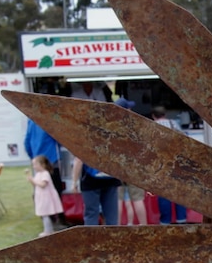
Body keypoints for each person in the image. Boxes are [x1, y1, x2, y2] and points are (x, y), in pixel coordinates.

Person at [69, 82, 122, 225]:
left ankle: (91, 244)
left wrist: (74, 182)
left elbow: (79, 159)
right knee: (112, 216)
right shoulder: (113, 133)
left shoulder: (84, 134)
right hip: (111, 178)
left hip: (90, 180)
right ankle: (114, 243)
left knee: (91, 215)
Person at [23, 116, 65, 225]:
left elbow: (27, 141)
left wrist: (34, 158)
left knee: (40, 188)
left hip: (38, 160)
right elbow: (59, 138)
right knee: (55, 189)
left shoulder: (31, 121)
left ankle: (47, 217)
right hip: (51, 159)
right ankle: (58, 216)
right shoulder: (49, 120)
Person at [151, 105, 188, 224]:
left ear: (153, 116)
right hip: (176, 162)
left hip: (161, 164)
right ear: (165, 114)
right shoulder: (174, 124)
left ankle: (165, 221)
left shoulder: (152, 126)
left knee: (164, 193)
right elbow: (185, 139)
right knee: (178, 191)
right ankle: (181, 219)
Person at [115, 97, 148, 225]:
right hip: (133, 167)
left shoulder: (111, 126)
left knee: (117, 199)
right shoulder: (134, 126)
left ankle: (115, 227)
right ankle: (144, 227)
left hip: (116, 167)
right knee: (137, 199)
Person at [26, 155, 65, 236]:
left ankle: (48, 231)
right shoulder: (38, 174)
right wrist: (31, 180)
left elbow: (43, 184)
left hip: (46, 198)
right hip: (41, 197)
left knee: (45, 214)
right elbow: (36, 185)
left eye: (35, 164)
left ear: (43, 165)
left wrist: (32, 180)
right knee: (44, 214)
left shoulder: (45, 173)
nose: (34, 167)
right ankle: (49, 230)